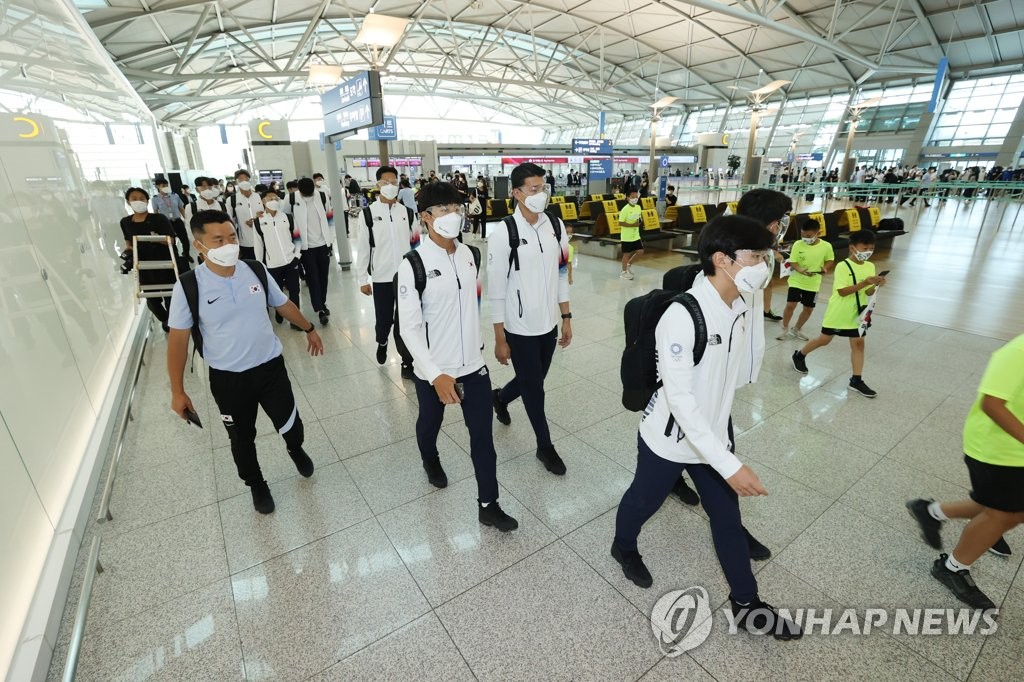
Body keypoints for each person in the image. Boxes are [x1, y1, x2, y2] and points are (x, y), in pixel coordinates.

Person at [611, 215, 802, 640]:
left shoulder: (740, 302)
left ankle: (747, 604)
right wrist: (729, 464)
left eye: (767, 255)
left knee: (727, 518)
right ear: (723, 259)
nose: (765, 264)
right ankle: (623, 545)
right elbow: (680, 402)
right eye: (757, 256)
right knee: (644, 502)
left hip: (713, 435)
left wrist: (722, 447)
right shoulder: (682, 316)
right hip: (669, 440)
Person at [167, 210, 324, 513]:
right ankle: (256, 484)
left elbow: (283, 303)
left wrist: (309, 328)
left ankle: (295, 448)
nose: (229, 244)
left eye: (232, 237)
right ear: (199, 246)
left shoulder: (254, 270)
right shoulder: (189, 286)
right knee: (241, 437)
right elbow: (178, 341)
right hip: (229, 378)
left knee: (290, 421)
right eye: (218, 240)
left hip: (270, 367)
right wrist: (177, 390)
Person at [397, 182, 518, 532]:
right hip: (434, 372)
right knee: (429, 424)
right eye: (444, 210)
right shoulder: (414, 264)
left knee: (483, 438)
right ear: (426, 217)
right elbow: (409, 329)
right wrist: (435, 374)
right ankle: (429, 457)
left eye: (456, 208)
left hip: (472, 367)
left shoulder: (469, 254)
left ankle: (488, 504)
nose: (453, 215)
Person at [906, 334, 1023, 610]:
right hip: (997, 448)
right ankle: (952, 567)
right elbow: (992, 404)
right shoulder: (1018, 351)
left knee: (1003, 508)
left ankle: (932, 511)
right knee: (1005, 512)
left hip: (1014, 450)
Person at [489, 162, 572, 476]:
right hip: (519, 327)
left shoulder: (555, 224)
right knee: (535, 389)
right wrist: (499, 337)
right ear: (517, 193)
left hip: (548, 322)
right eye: (534, 189)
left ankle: (499, 398)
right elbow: (496, 289)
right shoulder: (504, 233)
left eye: (543, 188)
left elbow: (562, 272)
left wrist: (566, 316)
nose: (541, 194)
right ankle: (544, 446)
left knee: (532, 380)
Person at [792, 230, 885, 397]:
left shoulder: (870, 266)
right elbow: (842, 292)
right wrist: (865, 282)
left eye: (871, 248)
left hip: (859, 313)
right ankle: (799, 355)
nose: (868, 252)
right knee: (824, 340)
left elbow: (868, 292)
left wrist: (876, 285)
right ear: (852, 248)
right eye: (864, 248)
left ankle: (856, 380)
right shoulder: (843, 266)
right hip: (839, 312)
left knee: (858, 344)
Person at [357, 165, 419, 374]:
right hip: (381, 276)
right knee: (384, 319)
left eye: (394, 182)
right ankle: (382, 342)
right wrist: (362, 279)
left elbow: (416, 244)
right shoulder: (367, 214)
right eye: (386, 182)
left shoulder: (408, 213)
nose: (390, 186)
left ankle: (406, 361)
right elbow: (364, 247)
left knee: (405, 321)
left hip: (405, 276)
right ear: (378, 185)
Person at [120, 187, 179, 333]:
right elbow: (128, 242)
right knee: (152, 300)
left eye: (142, 198)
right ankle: (165, 320)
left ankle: (173, 323)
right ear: (128, 202)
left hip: (163, 262)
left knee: (170, 295)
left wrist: (156, 238)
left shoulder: (159, 219)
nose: (138, 201)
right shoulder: (126, 222)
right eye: (134, 198)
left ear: (147, 201)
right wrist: (128, 252)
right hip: (143, 265)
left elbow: (171, 240)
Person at [777, 218, 834, 341]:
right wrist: (800, 270)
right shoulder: (798, 244)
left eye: (808, 236)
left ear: (818, 233)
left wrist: (825, 268)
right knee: (791, 304)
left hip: (813, 283)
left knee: (808, 308)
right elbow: (793, 261)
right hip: (796, 280)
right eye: (803, 235)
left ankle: (796, 329)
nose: (805, 238)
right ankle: (785, 328)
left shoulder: (826, 246)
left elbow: (830, 260)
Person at [255, 189, 302, 328]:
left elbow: (297, 238)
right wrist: (260, 265)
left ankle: (295, 321)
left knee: (294, 290)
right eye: (270, 198)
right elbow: (258, 245)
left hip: (290, 260)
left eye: (276, 198)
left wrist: (296, 256)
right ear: (263, 201)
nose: (273, 201)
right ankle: (279, 311)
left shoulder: (288, 217)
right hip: (272, 264)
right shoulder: (259, 221)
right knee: (277, 292)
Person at [292, 177, 333, 326]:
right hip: (305, 247)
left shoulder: (321, 195)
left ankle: (322, 302)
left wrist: (330, 241)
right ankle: (320, 310)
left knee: (323, 277)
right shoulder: (291, 198)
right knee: (313, 278)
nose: (308, 196)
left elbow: (329, 218)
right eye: (305, 194)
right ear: (299, 191)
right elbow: (285, 217)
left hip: (322, 244)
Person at [227, 169, 264, 261]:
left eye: (246, 179)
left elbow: (264, 213)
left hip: (262, 237)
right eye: (241, 179)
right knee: (251, 265)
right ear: (237, 182)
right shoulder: (232, 200)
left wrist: (257, 220)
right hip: (245, 242)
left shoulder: (258, 196)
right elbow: (229, 221)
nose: (244, 181)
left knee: (264, 265)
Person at [151, 178, 189, 262]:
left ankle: (186, 254)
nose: (166, 187)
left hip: (177, 221)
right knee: (172, 242)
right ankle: (176, 258)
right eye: (163, 186)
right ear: (157, 186)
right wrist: (157, 226)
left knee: (185, 240)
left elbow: (181, 208)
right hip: (166, 224)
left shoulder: (175, 195)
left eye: (167, 185)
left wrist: (186, 219)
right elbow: (156, 213)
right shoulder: (155, 199)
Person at [183, 176, 225, 245]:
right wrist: (199, 247)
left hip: (222, 243)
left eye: (209, 187)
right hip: (204, 245)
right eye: (204, 187)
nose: (207, 189)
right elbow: (189, 228)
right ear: (197, 189)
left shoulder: (221, 205)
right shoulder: (191, 207)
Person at [618, 188, 644, 280]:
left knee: (640, 251)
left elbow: (639, 219)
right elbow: (620, 222)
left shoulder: (638, 207)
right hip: (627, 236)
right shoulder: (625, 209)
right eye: (633, 197)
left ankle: (628, 264)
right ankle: (623, 272)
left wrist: (639, 222)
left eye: (636, 197)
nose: (635, 199)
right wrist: (632, 225)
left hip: (636, 235)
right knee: (626, 254)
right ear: (628, 198)